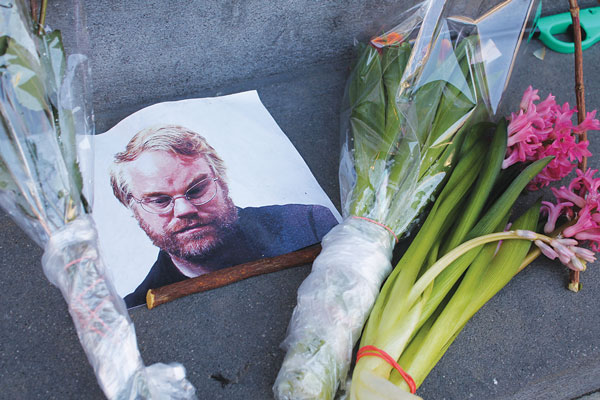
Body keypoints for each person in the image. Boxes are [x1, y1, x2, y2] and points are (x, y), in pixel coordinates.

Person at [110, 125, 338, 307]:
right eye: (159, 200)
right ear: (133, 210)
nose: (184, 210)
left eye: (197, 189)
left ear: (223, 182)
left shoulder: (310, 224)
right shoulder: (138, 308)